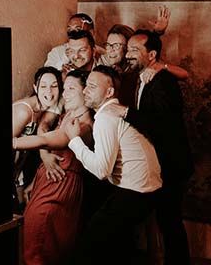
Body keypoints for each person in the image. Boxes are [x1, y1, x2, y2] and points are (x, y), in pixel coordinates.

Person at [106, 30, 194, 265]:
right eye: (128, 49)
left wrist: (125, 113)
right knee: (165, 221)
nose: (128, 54)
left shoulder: (163, 81)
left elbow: (161, 124)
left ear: (152, 55)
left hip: (172, 164)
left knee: (170, 222)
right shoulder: (142, 76)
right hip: (160, 163)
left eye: (135, 50)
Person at [62, 65, 162, 264]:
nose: (85, 90)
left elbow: (101, 170)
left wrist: (74, 140)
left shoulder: (106, 117)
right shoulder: (112, 112)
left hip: (137, 192)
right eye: (86, 85)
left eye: (92, 86)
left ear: (108, 92)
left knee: (88, 247)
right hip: (146, 190)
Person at [14, 70, 93, 265]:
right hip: (47, 183)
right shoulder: (67, 114)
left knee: (38, 248)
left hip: (60, 187)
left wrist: (14, 142)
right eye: (64, 88)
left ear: (85, 91)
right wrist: (35, 181)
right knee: (36, 245)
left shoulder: (84, 125)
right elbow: (45, 132)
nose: (64, 93)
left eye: (71, 88)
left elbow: (46, 140)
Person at [12, 66, 63, 212]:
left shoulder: (46, 107)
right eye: (43, 86)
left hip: (18, 170)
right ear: (35, 87)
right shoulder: (24, 111)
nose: (49, 92)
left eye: (54, 86)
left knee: (21, 209)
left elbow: (44, 127)